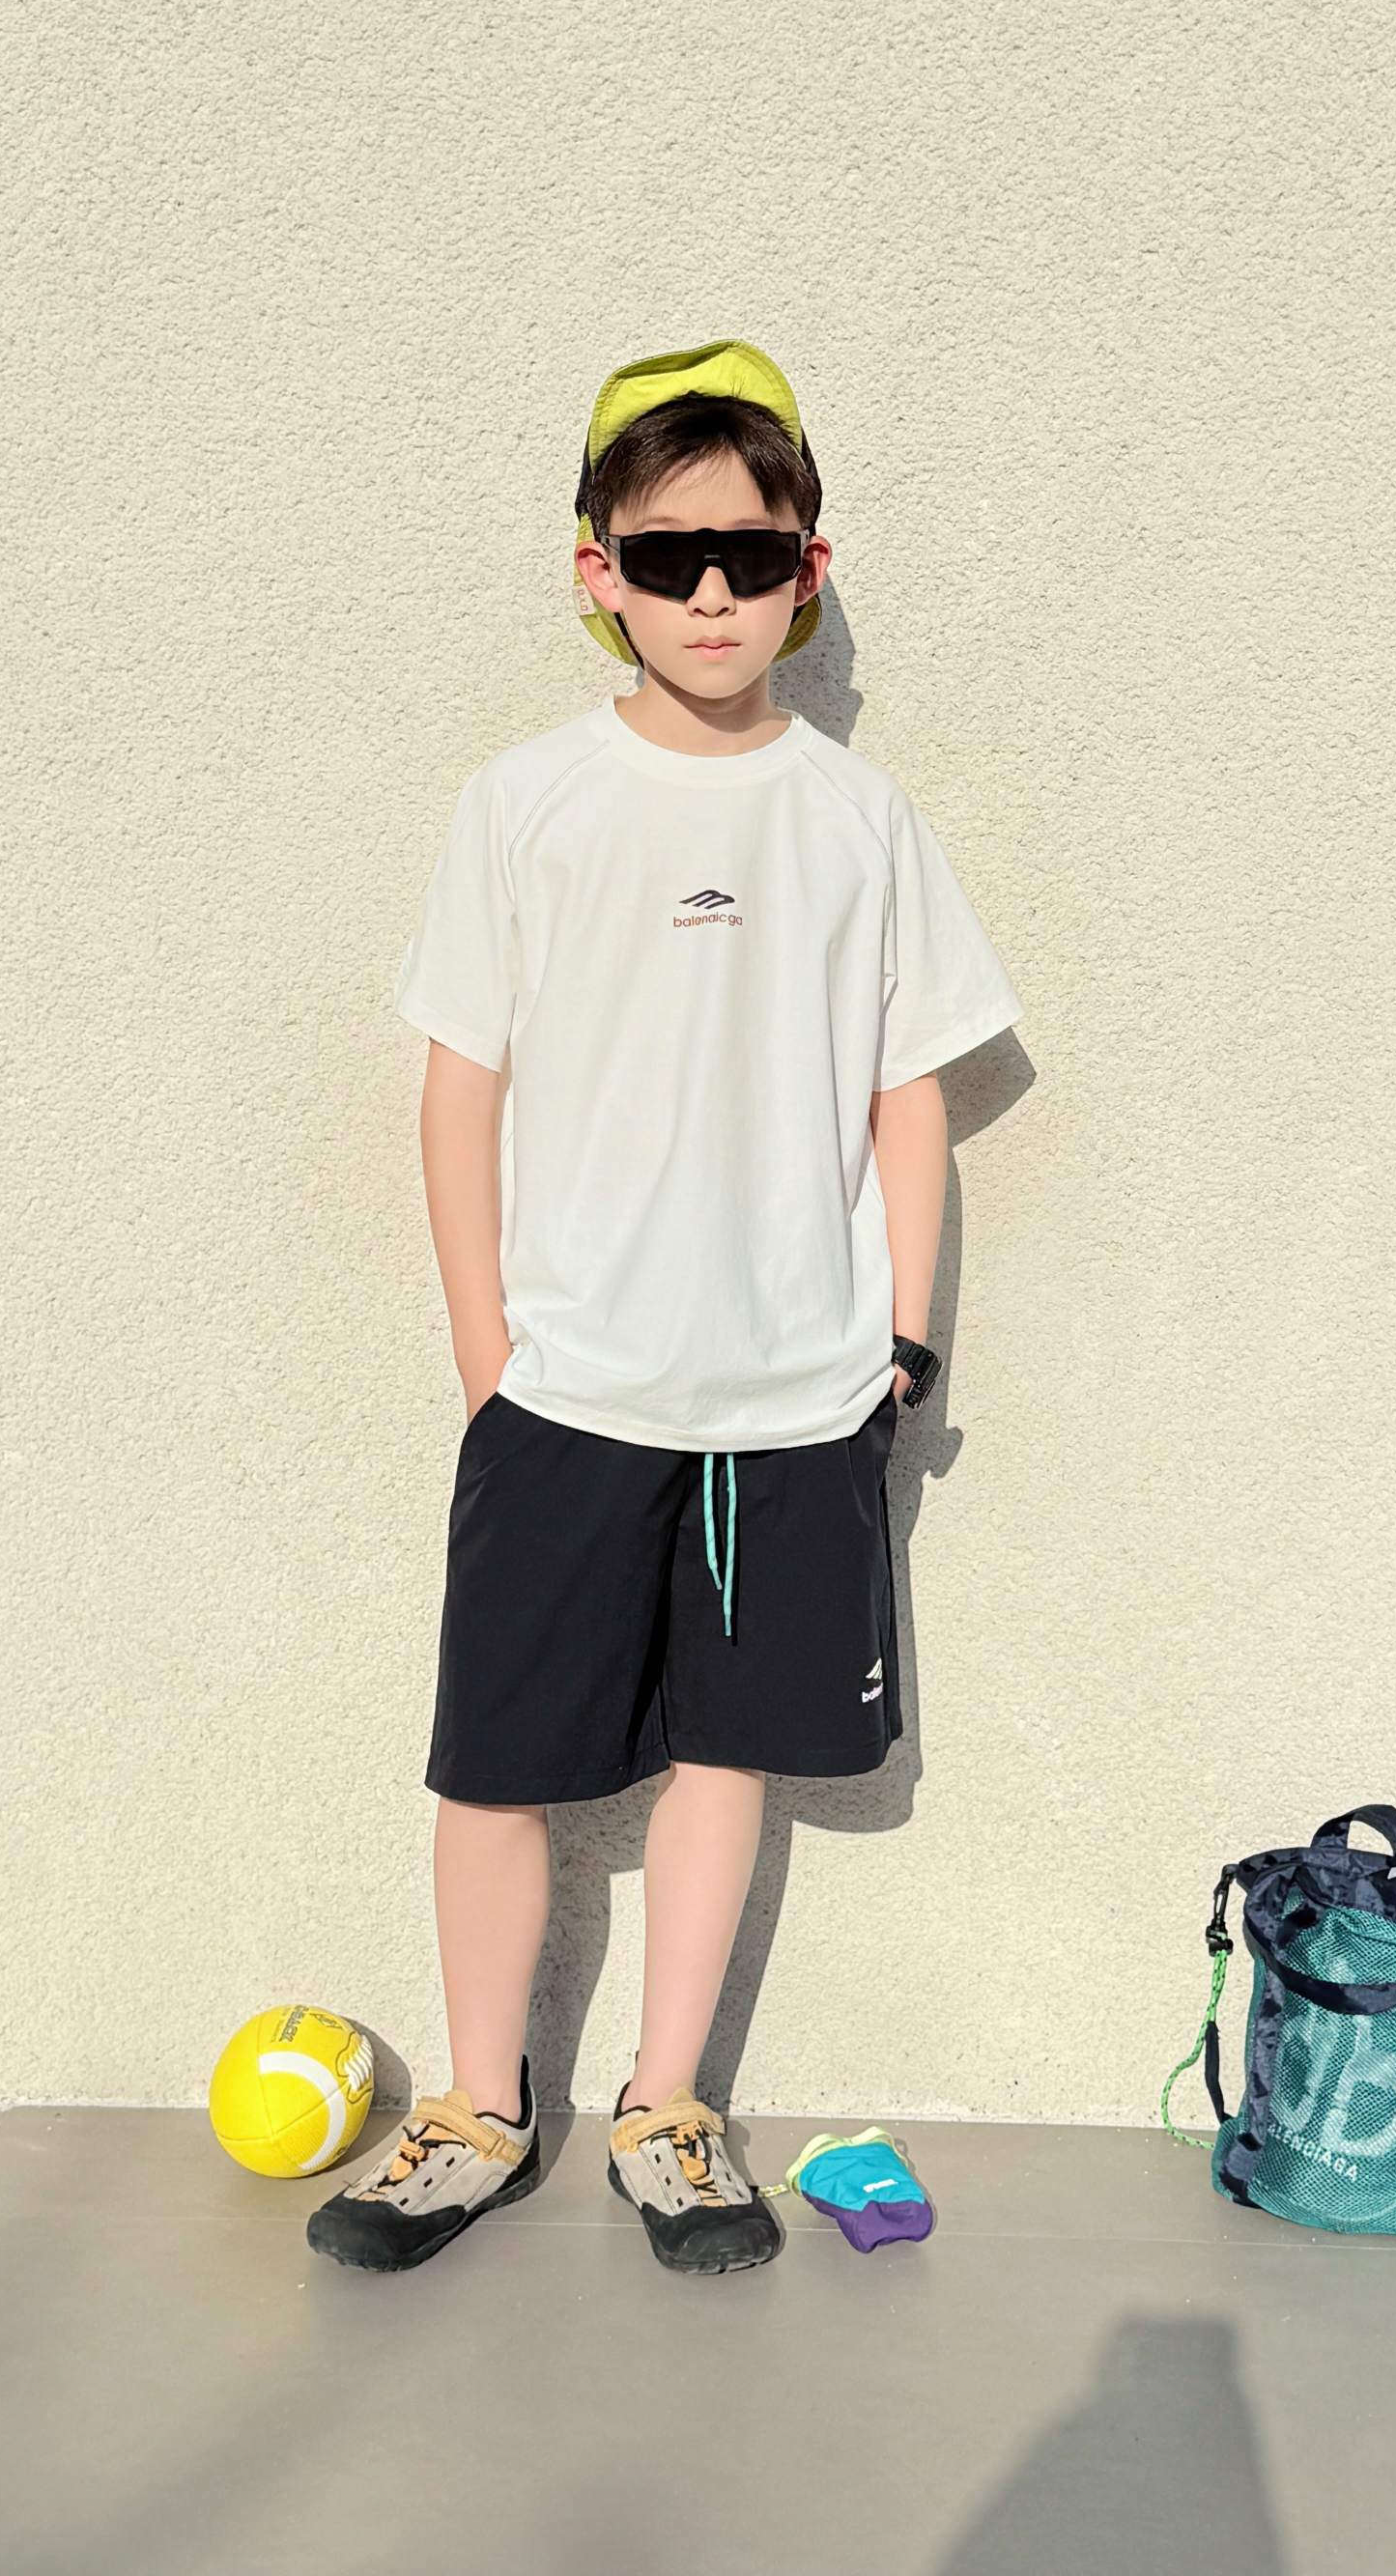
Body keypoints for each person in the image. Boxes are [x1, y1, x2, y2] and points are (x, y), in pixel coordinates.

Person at [306, 339, 1023, 2277]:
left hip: (795, 1393)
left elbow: (908, 1091)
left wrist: (902, 1336)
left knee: (730, 1749)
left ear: (808, 571)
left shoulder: (856, 817)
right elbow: (458, 1087)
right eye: (667, 554)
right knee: (495, 1759)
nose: (712, 592)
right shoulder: (528, 802)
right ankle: (477, 2109)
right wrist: (489, 1359)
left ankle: (667, 2105)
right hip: (567, 1386)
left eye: (751, 555)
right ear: (596, 571)